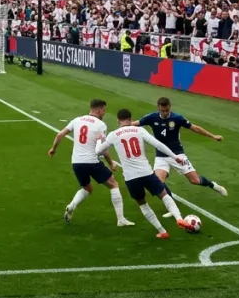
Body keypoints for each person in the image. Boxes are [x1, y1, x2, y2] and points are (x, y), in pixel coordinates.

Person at [95, 108, 194, 238]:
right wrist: (175, 157)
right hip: (146, 172)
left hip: (131, 177)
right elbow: (159, 145)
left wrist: (98, 139)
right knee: (164, 195)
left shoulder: (113, 135)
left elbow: (98, 151)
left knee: (142, 203)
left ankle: (162, 231)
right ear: (130, 119)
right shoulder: (139, 130)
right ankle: (179, 218)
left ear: (118, 120)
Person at [48, 99, 133, 227]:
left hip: (76, 162)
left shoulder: (77, 120)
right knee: (113, 185)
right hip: (92, 161)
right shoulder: (100, 125)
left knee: (87, 188)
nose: (104, 113)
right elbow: (103, 149)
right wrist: (110, 163)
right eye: (104, 110)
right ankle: (121, 219)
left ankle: (71, 206)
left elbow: (60, 135)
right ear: (98, 110)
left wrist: (53, 149)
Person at [134, 97, 228, 197]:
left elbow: (195, 128)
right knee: (158, 183)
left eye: (167, 110)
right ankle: (171, 206)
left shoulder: (177, 118)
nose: (165, 113)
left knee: (195, 180)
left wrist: (213, 136)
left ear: (170, 107)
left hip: (177, 154)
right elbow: (135, 124)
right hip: (161, 155)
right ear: (158, 108)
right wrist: (123, 126)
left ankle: (213, 185)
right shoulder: (151, 117)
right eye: (163, 111)